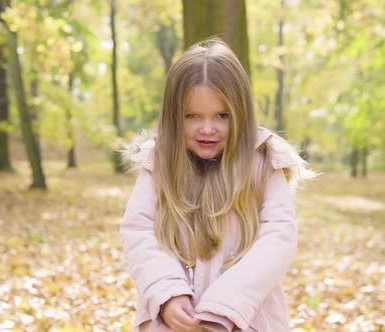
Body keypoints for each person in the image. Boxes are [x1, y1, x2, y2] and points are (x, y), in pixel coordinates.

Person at [120, 38, 316, 332]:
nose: (207, 128)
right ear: (175, 118)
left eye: (221, 116)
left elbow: (278, 238)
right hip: (175, 322)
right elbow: (140, 232)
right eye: (192, 116)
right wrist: (168, 294)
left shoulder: (264, 163)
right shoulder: (158, 166)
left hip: (245, 320)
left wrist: (227, 305)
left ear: (240, 114)